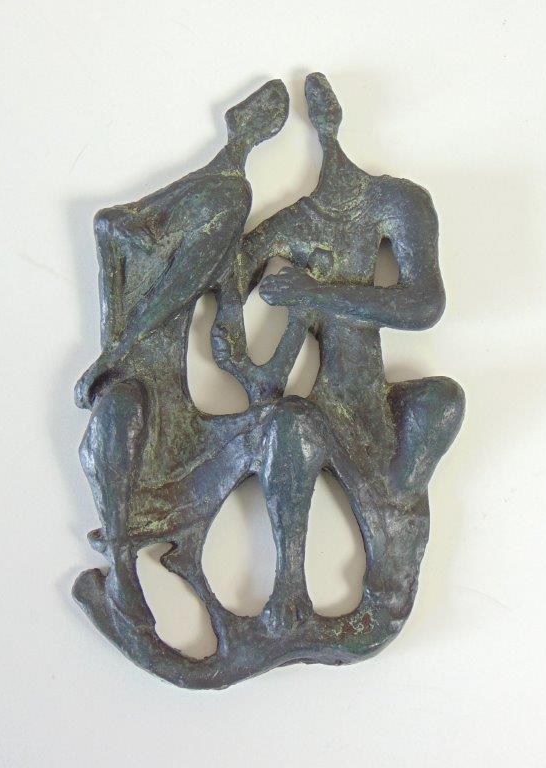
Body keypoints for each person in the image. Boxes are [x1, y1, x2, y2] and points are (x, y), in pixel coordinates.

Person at [224, 73, 465, 628]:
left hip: (374, 406)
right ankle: (288, 588)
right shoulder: (294, 223)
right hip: (325, 404)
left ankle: (394, 522)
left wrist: (314, 293)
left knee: (443, 399)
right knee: (290, 424)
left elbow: (424, 304)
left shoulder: (396, 201)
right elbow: (224, 282)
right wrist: (242, 356)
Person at [73, 80, 290, 620]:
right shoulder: (208, 183)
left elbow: (180, 288)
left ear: (265, 128)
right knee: (118, 417)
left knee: (125, 414)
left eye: (267, 108)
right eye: (258, 100)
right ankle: (123, 568)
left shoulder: (233, 196)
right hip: (130, 357)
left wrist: (115, 352)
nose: (252, 110)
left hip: (151, 363)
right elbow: (110, 223)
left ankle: (125, 570)